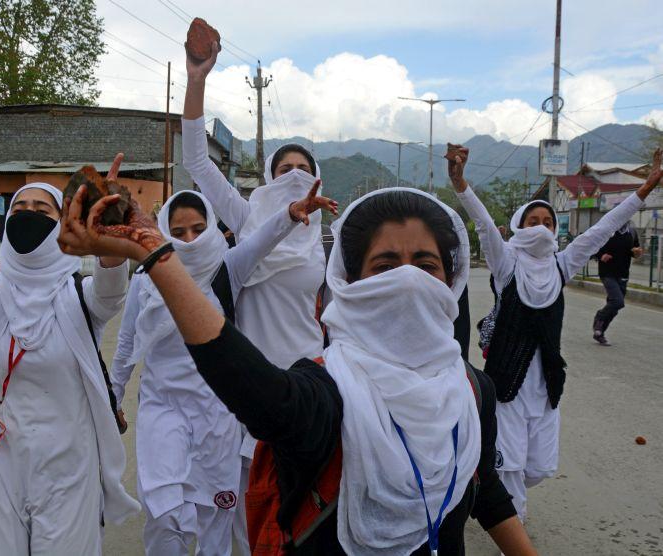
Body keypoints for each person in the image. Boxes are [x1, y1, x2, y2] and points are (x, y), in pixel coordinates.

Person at [59, 185, 538, 555]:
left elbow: (487, 490)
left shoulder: (473, 390)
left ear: (450, 279)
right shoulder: (327, 388)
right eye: (386, 263)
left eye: (424, 264)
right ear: (348, 281)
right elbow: (253, 389)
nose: (407, 278)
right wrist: (155, 256)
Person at [110, 186, 335, 556]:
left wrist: (291, 213)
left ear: (212, 228)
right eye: (178, 232)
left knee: (215, 517)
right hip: (162, 408)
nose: (189, 240)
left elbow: (261, 241)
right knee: (165, 514)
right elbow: (125, 345)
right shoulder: (145, 280)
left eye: (198, 229)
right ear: (164, 231)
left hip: (218, 413)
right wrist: (113, 397)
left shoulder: (224, 270)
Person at [447, 145, 663, 523]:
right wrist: (460, 182)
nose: (543, 227)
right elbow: (482, 223)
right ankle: (513, 524)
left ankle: (489, 489)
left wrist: (645, 189)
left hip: (547, 385)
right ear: (518, 226)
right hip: (506, 385)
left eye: (548, 221)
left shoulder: (562, 267)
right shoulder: (506, 263)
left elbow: (603, 228)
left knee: (538, 469)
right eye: (533, 221)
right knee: (511, 465)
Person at [181, 41, 337, 551]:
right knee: (253, 510)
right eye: (282, 167)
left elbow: (338, 311)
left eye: (302, 167)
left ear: (316, 180)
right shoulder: (246, 218)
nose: (293, 173)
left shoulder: (324, 244)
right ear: (269, 176)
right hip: (253, 376)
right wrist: (197, 78)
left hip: (310, 376)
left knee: (306, 506)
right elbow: (198, 162)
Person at [0, 177, 140, 554]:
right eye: (20, 210)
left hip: (67, 468)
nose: (29, 216)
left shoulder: (77, 295)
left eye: (42, 211)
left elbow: (110, 292)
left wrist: (109, 242)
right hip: (1, 463)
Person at [591, 220, 642, 345]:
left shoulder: (631, 232)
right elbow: (594, 246)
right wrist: (600, 255)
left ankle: (600, 332)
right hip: (607, 272)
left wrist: (636, 253)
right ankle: (600, 317)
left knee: (614, 307)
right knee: (618, 301)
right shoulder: (607, 230)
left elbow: (634, 250)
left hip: (623, 273)